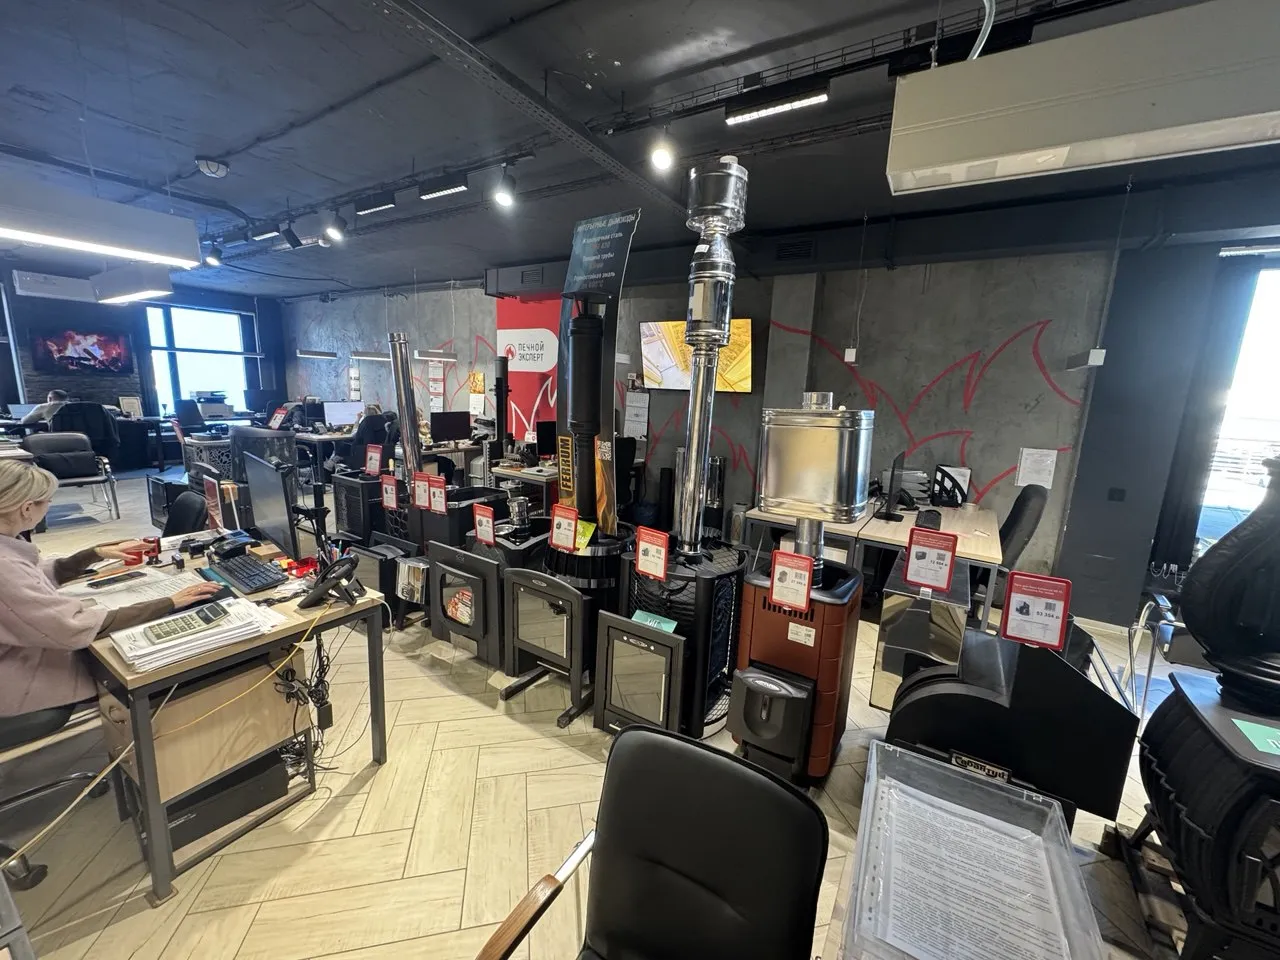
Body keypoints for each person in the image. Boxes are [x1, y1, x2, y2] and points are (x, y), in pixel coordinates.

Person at [0, 460, 223, 716]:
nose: (49, 506)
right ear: (27, 508)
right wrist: (169, 602)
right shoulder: (6, 567)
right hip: (21, 678)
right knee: (170, 665)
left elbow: (36, 576)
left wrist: (96, 553)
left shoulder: (8, 547)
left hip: (27, 655)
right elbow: (73, 626)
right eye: (47, 501)